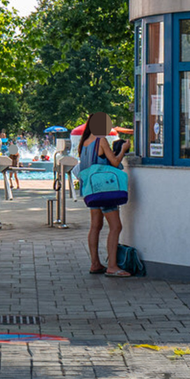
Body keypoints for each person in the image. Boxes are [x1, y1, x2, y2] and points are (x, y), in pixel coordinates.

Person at [79, 112, 132, 277]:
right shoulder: (100, 140)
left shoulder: (84, 143)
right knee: (116, 226)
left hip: (91, 190)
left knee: (95, 226)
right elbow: (115, 163)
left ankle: (95, 264)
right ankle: (112, 266)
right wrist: (123, 149)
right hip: (105, 190)